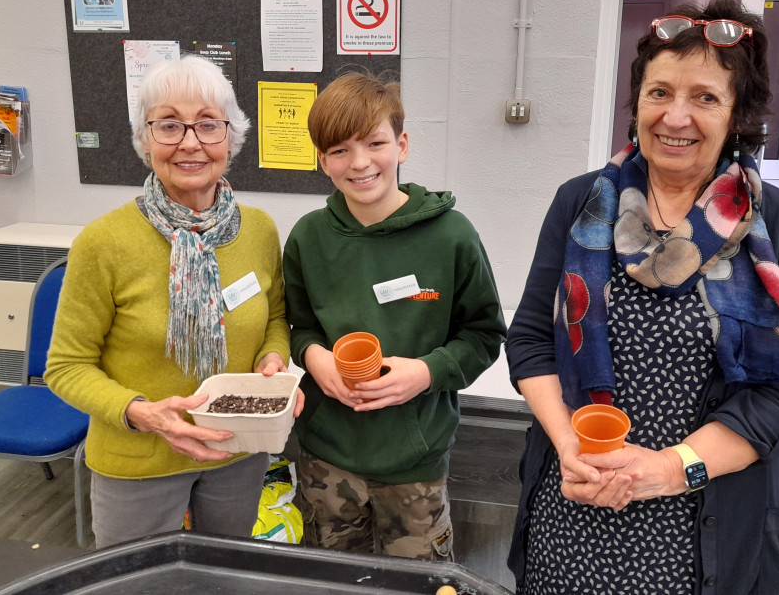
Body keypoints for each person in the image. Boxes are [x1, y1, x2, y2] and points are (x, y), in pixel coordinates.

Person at [505, 0, 779, 595]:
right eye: (660, 92)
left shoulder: (777, 225)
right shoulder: (582, 204)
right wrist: (571, 447)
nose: (676, 117)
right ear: (637, 103)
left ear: (738, 115)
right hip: (573, 508)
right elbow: (529, 341)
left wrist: (667, 469)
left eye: (704, 97)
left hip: (702, 529)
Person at [45, 54, 301, 549]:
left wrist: (273, 357)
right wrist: (144, 413)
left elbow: (274, 315)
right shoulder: (104, 242)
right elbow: (66, 366)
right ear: (145, 139)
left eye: (208, 125)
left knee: (223, 576)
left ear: (231, 136)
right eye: (169, 125)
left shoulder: (260, 230)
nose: (190, 142)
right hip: (137, 462)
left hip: (236, 452)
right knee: (137, 584)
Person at [283, 70, 506, 561]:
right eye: (340, 150)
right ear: (323, 161)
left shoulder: (452, 237)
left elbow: (484, 334)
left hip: (415, 461)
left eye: (374, 143)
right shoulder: (308, 237)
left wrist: (427, 372)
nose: (359, 163)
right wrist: (314, 357)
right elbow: (299, 326)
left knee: (420, 581)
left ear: (401, 145)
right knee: (331, 577)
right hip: (327, 456)